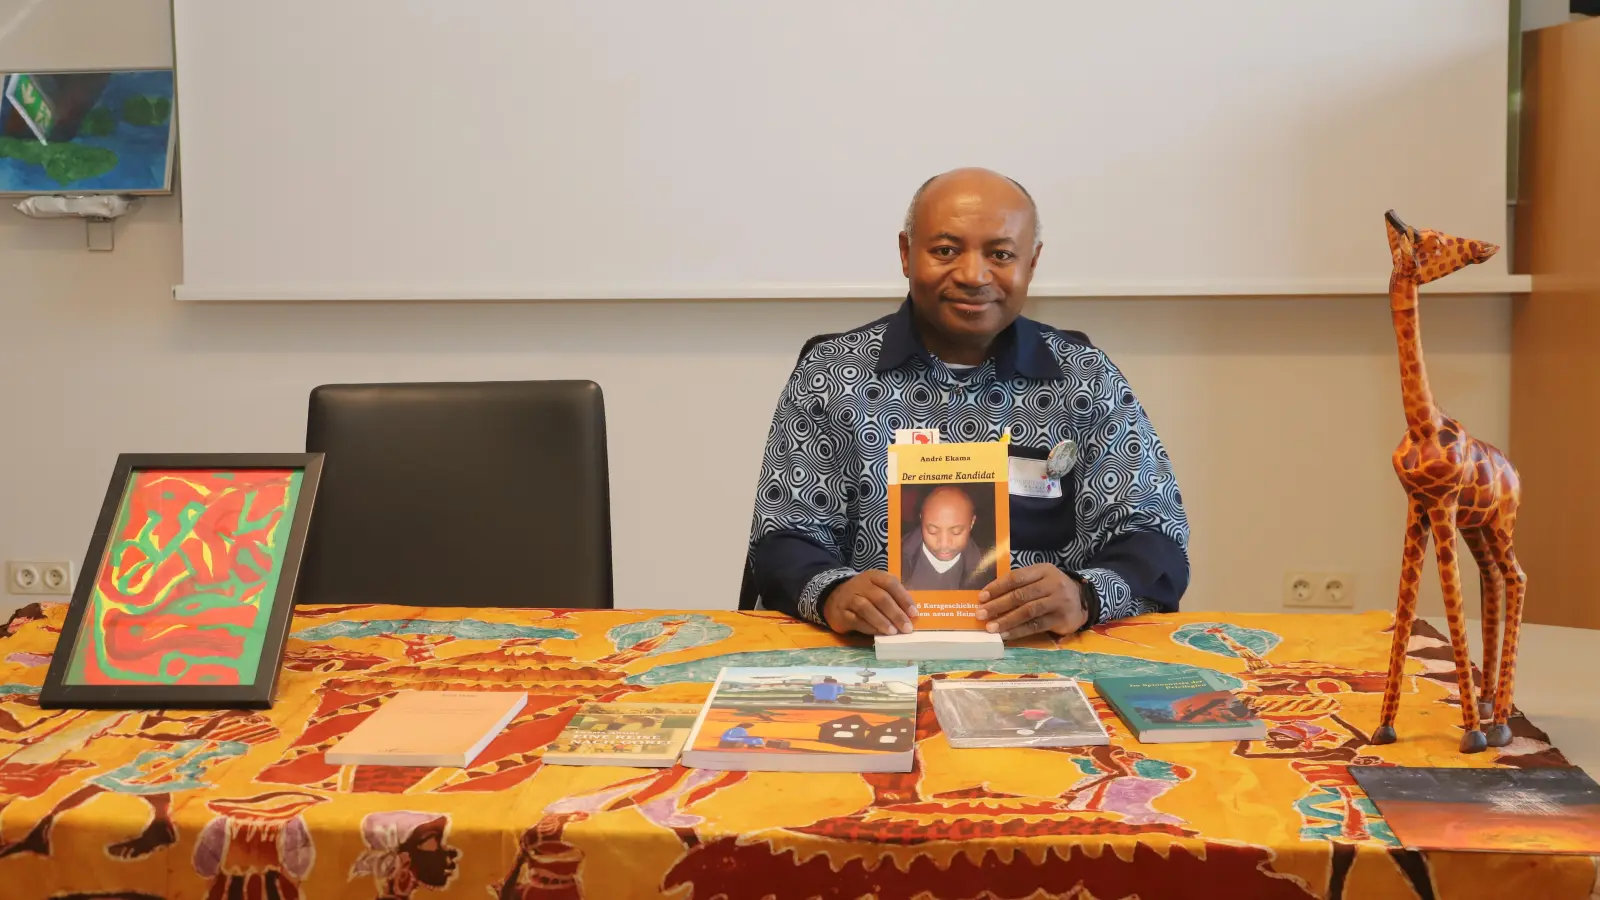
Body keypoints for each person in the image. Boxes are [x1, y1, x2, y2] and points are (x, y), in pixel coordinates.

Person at [745, 167, 1189, 640]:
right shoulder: (831, 375)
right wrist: (834, 593)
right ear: (905, 254)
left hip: (1044, 659)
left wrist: (1085, 595)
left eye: (1000, 254)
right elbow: (783, 537)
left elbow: (1152, 535)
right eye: (945, 251)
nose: (973, 275)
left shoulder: (1085, 377)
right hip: (871, 658)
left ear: (1031, 264)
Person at [900, 485, 996, 590]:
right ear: (921, 519)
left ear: (972, 523)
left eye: (956, 532)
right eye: (932, 531)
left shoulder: (990, 569)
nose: (944, 544)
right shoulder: (893, 556)